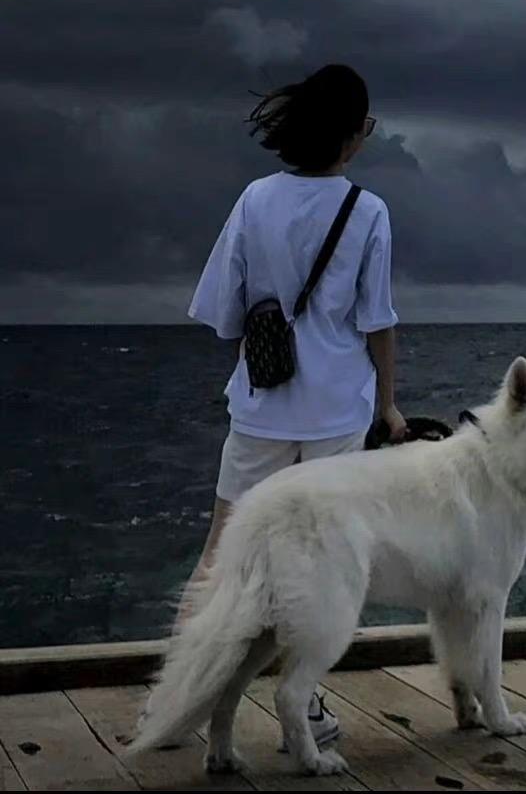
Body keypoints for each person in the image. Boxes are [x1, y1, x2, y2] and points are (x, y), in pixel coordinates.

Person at [183, 63, 406, 747]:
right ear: (354, 135)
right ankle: (302, 712)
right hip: (337, 415)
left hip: (260, 408)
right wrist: (389, 408)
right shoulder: (367, 211)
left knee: (220, 556)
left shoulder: (254, 200)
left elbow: (224, 313)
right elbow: (378, 323)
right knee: (318, 571)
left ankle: (177, 703)